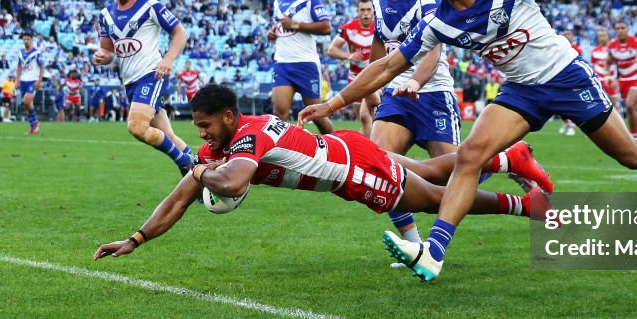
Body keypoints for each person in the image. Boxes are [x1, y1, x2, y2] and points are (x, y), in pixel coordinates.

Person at [300, 0, 637, 282]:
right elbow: (387, 65)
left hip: (566, 78)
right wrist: (335, 102)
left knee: (634, 156)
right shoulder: (439, 20)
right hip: (519, 91)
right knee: (470, 155)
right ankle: (434, 253)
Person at [92, 85, 553, 262]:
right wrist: (136, 239)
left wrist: (200, 173)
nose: (204, 136)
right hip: (345, 148)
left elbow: (229, 182)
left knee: (437, 198)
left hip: (354, 171)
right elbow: (179, 196)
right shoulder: (220, 146)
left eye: (208, 126)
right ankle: (512, 159)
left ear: (230, 117)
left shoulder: (249, 139)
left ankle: (523, 205)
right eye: (199, 130)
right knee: (433, 168)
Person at [368, 0, 466, 248]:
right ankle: (415, 244)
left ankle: (506, 159)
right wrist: (373, 86)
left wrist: (415, 80)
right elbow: (379, 42)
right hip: (397, 94)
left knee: (451, 176)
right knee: (379, 166)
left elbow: (433, 51)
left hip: (433, 93)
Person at [93, 0, 193, 174]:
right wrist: (103, 57)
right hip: (129, 82)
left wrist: (168, 59)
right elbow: (109, 52)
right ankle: (201, 168)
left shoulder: (150, 7)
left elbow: (180, 33)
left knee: (136, 126)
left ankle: (184, 164)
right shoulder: (105, 16)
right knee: (168, 135)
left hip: (152, 74)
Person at [266, 0, 334, 133]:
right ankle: (279, 155)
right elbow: (282, 26)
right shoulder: (277, 2)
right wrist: (272, 33)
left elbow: (326, 28)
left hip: (305, 64)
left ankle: (340, 146)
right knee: (279, 113)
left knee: (316, 114)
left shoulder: (311, 0)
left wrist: (295, 24)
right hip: (282, 63)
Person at [327, 0, 377, 136]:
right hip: (356, 78)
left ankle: (375, 150)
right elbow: (331, 50)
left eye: (369, 10)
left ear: (373, 10)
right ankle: (370, 148)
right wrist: (349, 56)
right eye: (362, 10)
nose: (366, 14)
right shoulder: (348, 28)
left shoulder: (381, 26)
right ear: (357, 11)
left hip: (377, 77)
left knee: (369, 116)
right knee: (362, 118)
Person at [607, 20, 637, 137]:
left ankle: (633, 136)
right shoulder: (612, 45)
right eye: (617, 28)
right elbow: (609, 61)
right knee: (634, 110)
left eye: (622, 28)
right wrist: (610, 76)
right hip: (623, 80)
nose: (620, 30)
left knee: (629, 105)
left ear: (628, 29)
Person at [14, 31, 43, 134]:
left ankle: (35, 123)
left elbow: (41, 66)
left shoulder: (36, 52)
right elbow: (19, 66)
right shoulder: (20, 52)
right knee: (28, 105)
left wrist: (40, 79)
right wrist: (17, 79)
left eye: (28, 39)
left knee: (26, 101)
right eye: (24, 39)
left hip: (33, 80)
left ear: (32, 40)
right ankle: (33, 126)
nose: (26, 41)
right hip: (23, 80)